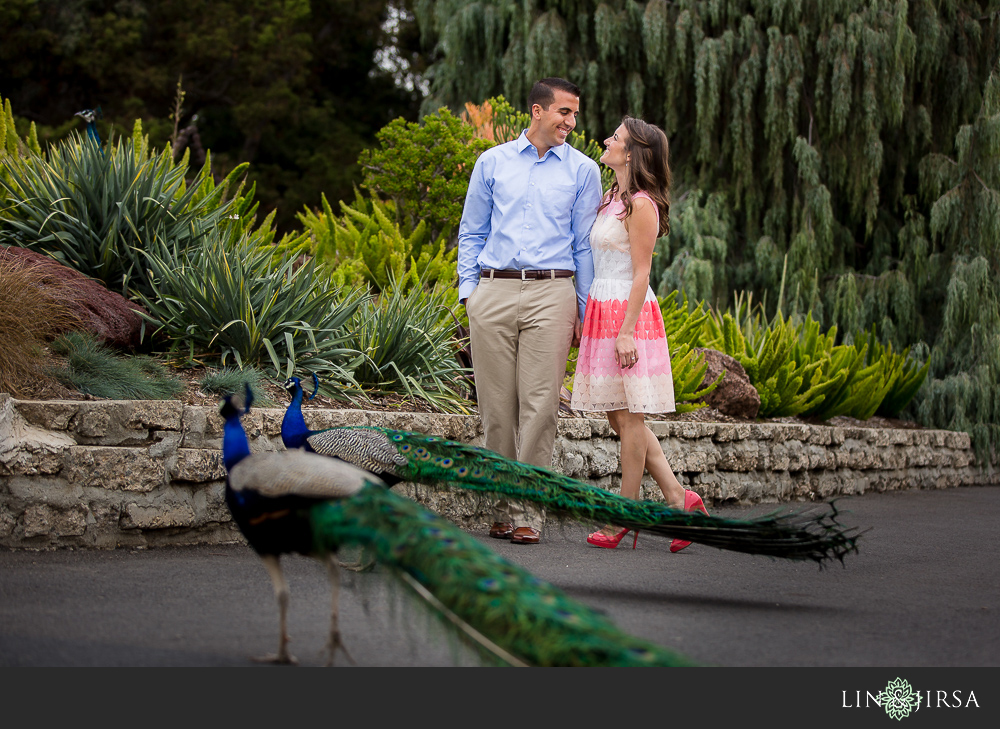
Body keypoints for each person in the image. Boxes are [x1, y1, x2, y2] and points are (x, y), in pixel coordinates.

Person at [458, 78, 603, 545]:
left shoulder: (583, 171)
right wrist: (469, 294)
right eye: (564, 112)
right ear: (537, 111)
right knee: (496, 411)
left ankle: (529, 512)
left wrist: (583, 308)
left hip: (553, 294)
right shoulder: (492, 162)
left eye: (575, 114)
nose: (571, 122)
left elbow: (583, 246)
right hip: (493, 291)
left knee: (540, 408)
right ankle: (500, 507)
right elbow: (471, 231)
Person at [570, 116, 710, 552]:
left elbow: (642, 272)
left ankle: (625, 514)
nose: (607, 141)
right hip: (601, 308)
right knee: (616, 415)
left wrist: (627, 331)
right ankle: (677, 498)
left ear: (631, 153)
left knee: (630, 418)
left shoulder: (642, 204)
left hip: (628, 314)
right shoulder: (611, 196)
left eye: (616, 138)